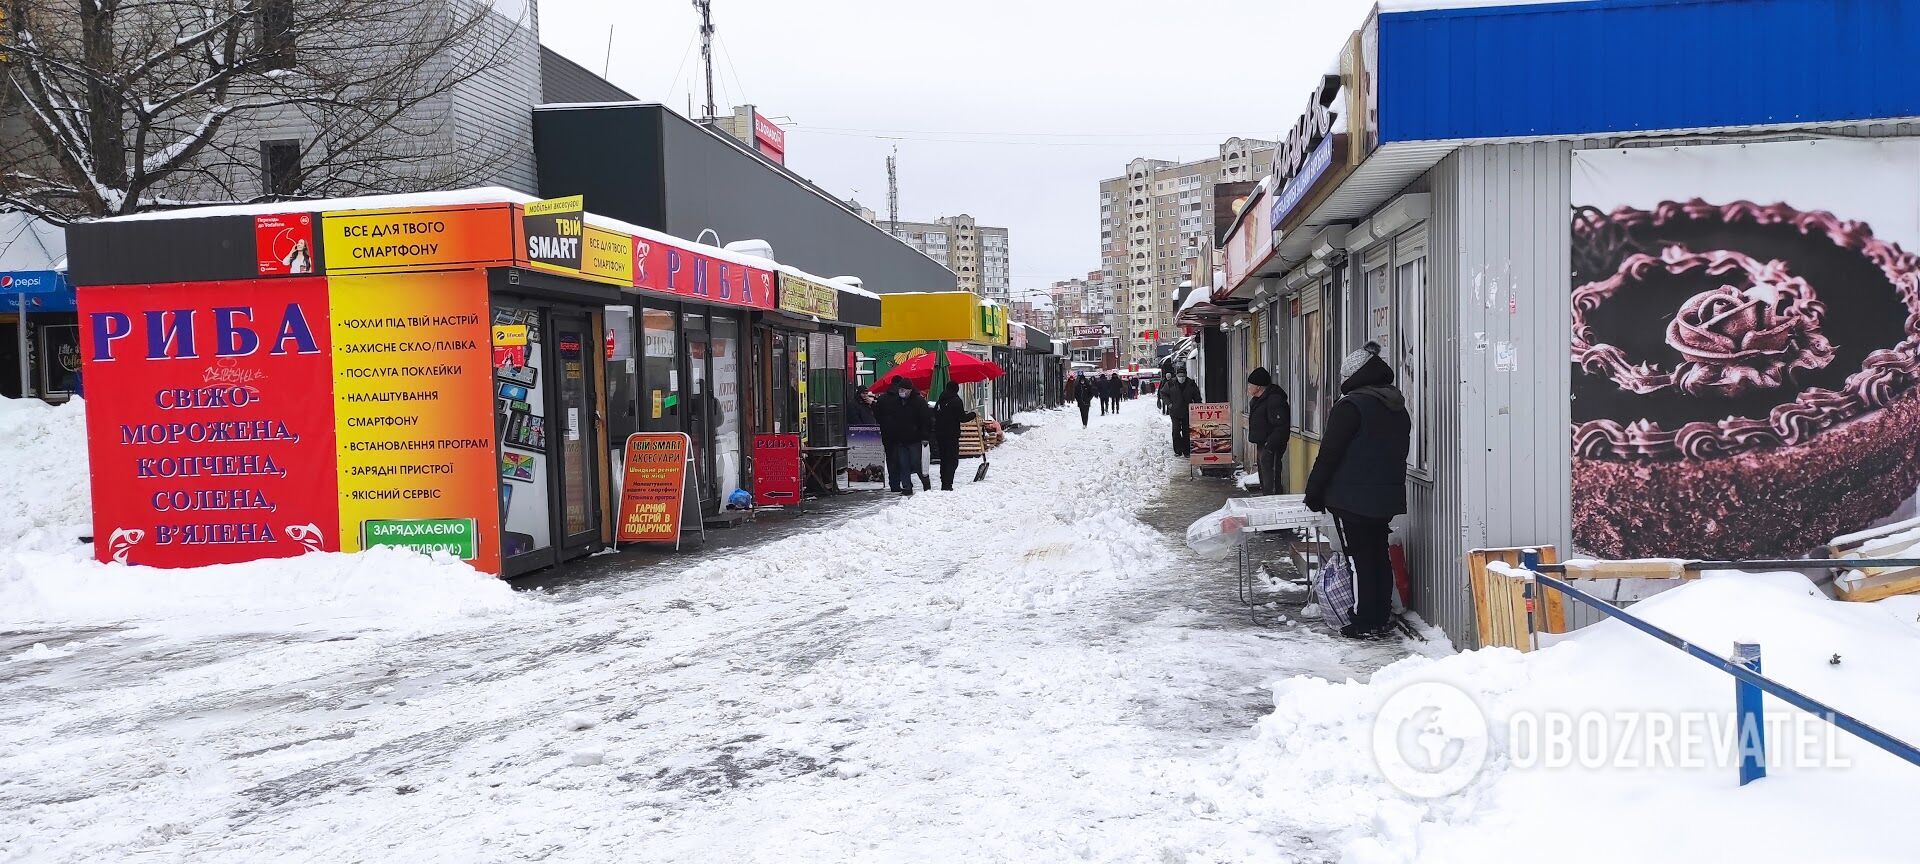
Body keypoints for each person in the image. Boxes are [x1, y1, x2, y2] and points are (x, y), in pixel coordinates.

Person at [1304, 342, 1412, 639]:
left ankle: (1364, 619)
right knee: (1378, 554)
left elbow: (1330, 453)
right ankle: (1380, 614)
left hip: (1352, 497)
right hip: (1385, 495)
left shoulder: (1351, 406)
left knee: (1357, 558)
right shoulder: (1396, 404)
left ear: (1353, 376)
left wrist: (1314, 493)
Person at [873, 375, 931, 496]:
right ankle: (907, 487)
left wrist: (925, 436)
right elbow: (893, 419)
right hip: (900, 439)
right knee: (903, 464)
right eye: (900, 390)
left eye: (903, 390)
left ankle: (925, 483)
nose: (901, 392)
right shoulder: (897, 402)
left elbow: (925, 420)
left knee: (916, 462)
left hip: (915, 439)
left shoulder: (918, 401)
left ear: (910, 390)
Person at [1246, 367, 1291, 495]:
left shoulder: (1274, 400)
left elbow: (1281, 426)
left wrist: (1269, 446)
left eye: (1251, 384)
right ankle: (1266, 502)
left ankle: (1273, 506)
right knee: (1265, 480)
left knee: (1271, 480)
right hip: (1263, 444)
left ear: (1259, 387)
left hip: (1271, 446)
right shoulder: (1257, 400)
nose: (1248, 387)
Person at [932, 381, 977, 491]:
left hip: (940, 435)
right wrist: (973, 414)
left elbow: (935, 415)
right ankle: (948, 484)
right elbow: (962, 418)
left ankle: (944, 482)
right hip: (952, 435)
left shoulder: (940, 401)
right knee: (952, 460)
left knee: (944, 459)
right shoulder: (956, 401)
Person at [1165, 368, 1202, 456]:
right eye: (1179, 376)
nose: (1181, 378)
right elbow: (1164, 393)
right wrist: (1169, 403)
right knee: (1176, 430)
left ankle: (1187, 451)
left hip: (1187, 411)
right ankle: (1178, 450)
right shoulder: (1170, 383)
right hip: (1175, 411)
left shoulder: (1191, 383)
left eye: (1183, 376)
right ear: (1176, 376)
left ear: (1186, 376)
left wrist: (1198, 405)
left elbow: (1197, 395)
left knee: (1186, 431)